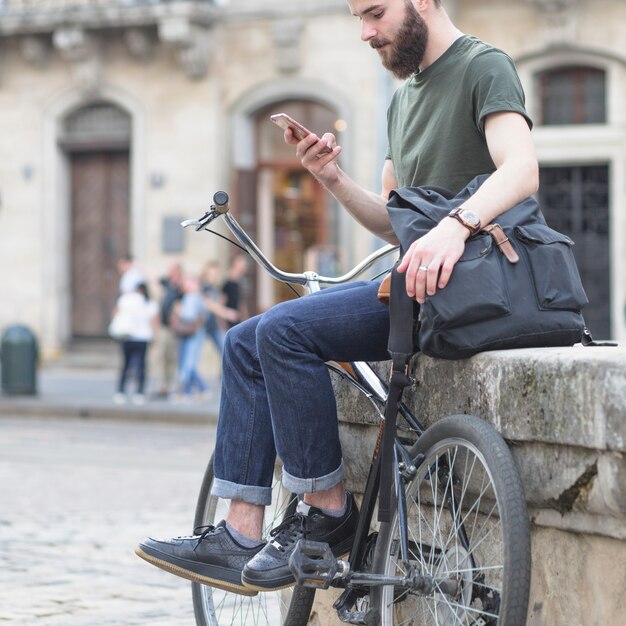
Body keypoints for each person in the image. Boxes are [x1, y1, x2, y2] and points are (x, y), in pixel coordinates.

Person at [136, 0, 538, 596]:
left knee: (282, 330)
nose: (365, 32)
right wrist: (331, 179)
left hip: (471, 290)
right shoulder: (404, 98)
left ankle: (326, 517)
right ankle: (241, 532)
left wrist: (456, 227)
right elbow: (393, 220)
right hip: (415, 285)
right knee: (242, 341)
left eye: (374, 12)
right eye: (357, 17)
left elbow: (522, 170)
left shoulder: (484, 66)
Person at [113, 282, 159, 405]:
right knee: (141, 366)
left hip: (127, 335)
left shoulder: (126, 300)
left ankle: (121, 391)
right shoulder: (148, 303)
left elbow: (116, 313)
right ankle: (140, 392)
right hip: (143, 337)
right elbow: (154, 320)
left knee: (126, 364)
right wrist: (155, 336)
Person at [174, 274, 208, 401]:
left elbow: (189, 316)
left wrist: (178, 311)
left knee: (188, 362)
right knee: (189, 362)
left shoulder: (192, 297)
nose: (185, 285)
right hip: (193, 333)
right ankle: (200, 388)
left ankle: (188, 391)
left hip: (192, 333)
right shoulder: (197, 297)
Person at [155, 262, 184, 398]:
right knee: (162, 356)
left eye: (171, 270)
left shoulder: (180, 288)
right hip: (163, 326)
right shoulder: (167, 284)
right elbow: (155, 278)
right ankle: (163, 384)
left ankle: (171, 384)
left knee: (172, 356)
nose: (169, 272)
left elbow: (180, 306)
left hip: (173, 328)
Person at [220, 254, 248, 329]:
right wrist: (222, 319)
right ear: (235, 263)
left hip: (238, 319)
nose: (244, 264)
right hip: (230, 319)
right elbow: (222, 301)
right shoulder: (228, 282)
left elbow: (241, 301)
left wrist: (245, 317)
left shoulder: (240, 281)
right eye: (241, 262)